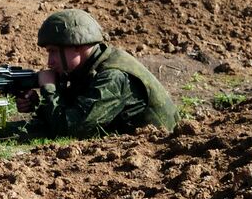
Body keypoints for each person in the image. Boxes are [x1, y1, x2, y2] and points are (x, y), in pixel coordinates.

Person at [18, 9, 180, 137]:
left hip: (157, 149)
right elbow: (75, 108)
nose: (50, 62)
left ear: (78, 46)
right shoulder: (92, 65)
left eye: (53, 51)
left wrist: (49, 89)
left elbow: (72, 129)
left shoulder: (112, 76)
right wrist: (40, 104)